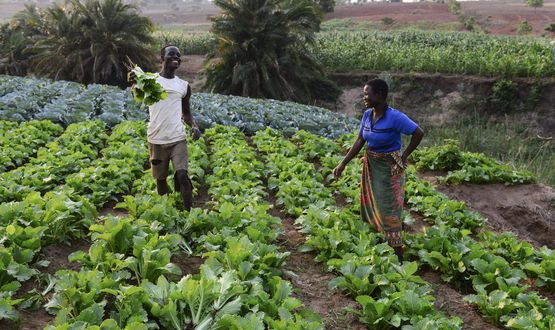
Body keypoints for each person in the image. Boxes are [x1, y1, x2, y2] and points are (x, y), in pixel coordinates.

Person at [333, 79, 424, 262]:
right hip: (372, 165)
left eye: (368, 94)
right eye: (364, 94)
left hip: (389, 167)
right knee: (372, 202)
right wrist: (343, 163)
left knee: (389, 207)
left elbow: (418, 133)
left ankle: (397, 253)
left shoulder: (395, 117)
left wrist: (404, 155)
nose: (364, 98)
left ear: (380, 95)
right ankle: (380, 241)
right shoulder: (367, 115)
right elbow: (360, 141)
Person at [130, 45, 202, 210]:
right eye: (171, 54)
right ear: (162, 58)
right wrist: (133, 81)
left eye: (178, 55)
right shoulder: (150, 81)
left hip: (178, 138)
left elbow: (187, 113)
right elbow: (135, 94)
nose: (176, 57)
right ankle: (168, 210)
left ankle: (188, 213)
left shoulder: (184, 86)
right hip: (156, 139)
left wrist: (194, 126)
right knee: (160, 179)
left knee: (183, 175)